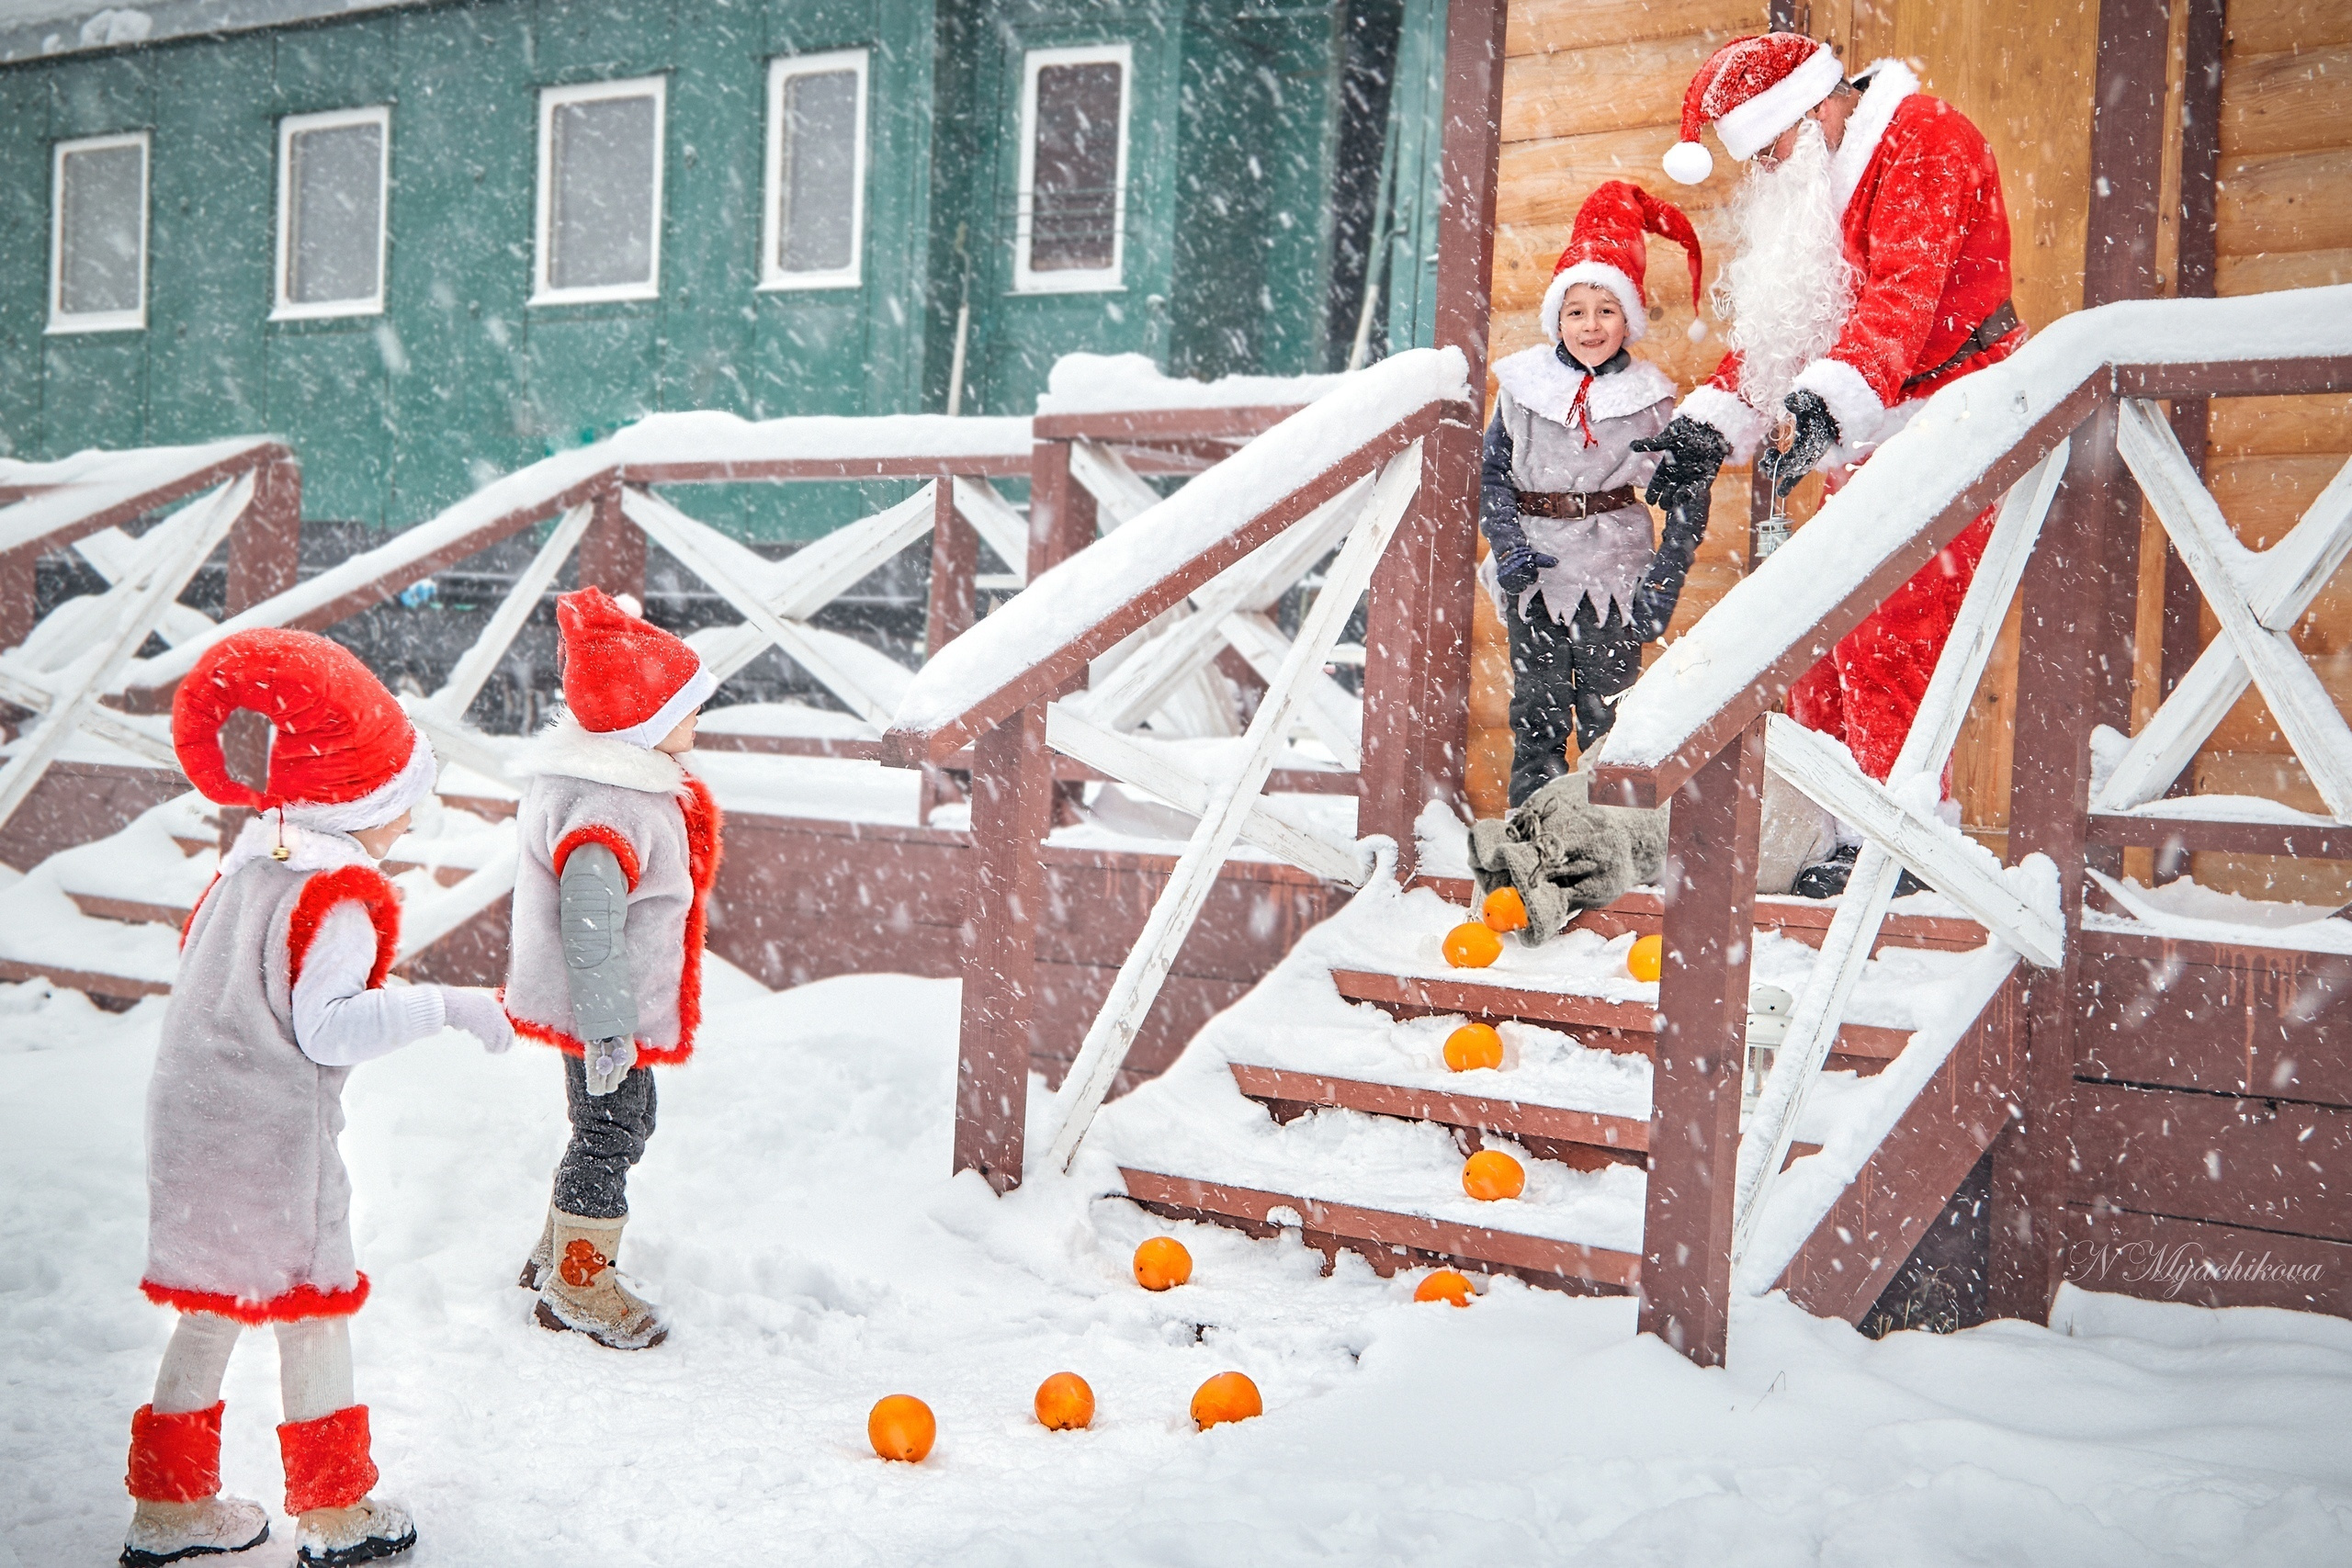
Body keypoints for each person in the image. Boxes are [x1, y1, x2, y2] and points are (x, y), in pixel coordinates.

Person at [125, 628, 512, 1568]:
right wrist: (450, 1006)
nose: (410, 825)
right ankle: (337, 1516)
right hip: (269, 1141)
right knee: (311, 1304)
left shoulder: (249, 867)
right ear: (362, 802)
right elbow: (328, 1027)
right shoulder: (334, 891)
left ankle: (169, 1513)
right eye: (404, 805)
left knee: (211, 1302)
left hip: (194, 1123)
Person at [1643, 33, 2025, 890]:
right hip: (1878, 422)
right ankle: (1839, 826)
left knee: (1892, 627)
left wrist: (1824, 402)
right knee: (1820, 634)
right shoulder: (1823, 176)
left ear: (1816, 111)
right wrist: (1710, 424)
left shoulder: (1925, 139)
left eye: (1771, 148)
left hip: (1959, 412)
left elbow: (1901, 300)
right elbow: (1793, 327)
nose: (1769, 168)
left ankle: (1902, 843)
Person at [505, 587, 722, 1351]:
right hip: (603, 1012)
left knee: (614, 1122)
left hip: (605, 1009)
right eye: (688, 707)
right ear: (645, 721)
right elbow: (589, 927)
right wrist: (607, 1031)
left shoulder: (615, 786)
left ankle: (557, 1252)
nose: (700, 719)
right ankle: (580, 1283)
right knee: (611, 1128)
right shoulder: (609, 807)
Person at [1482, 180, 1716, 806]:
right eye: (1577, 310)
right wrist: (1506, 546)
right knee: (1536, 717)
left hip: (1615, 574)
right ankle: (1530, 841)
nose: (1591, 325)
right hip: (1534, 574)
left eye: (1606, 309)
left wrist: (1666, 574)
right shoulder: (1522, 388)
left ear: (1628, 319)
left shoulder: (1650, 399)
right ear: (1557, 316)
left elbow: (1689, 492)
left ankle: (1605, 852)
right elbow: (1494, 477)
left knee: (1609, 721)